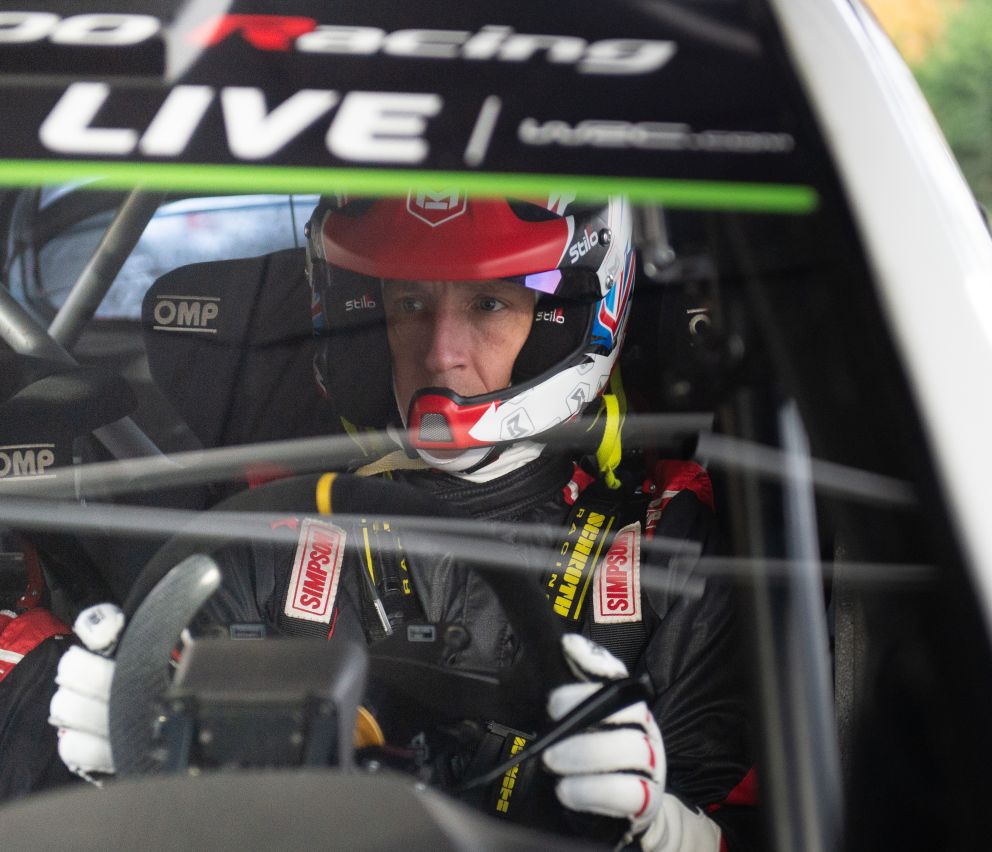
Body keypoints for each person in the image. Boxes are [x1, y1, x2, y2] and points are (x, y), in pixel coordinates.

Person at [46, 193, 757, 850]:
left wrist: (664, 831)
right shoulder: (277, 534)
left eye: (488, 302)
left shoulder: (664, 551)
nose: (440, 351)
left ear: (565, 320)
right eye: (409, 302)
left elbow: (759, 822)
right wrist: (131, 761)